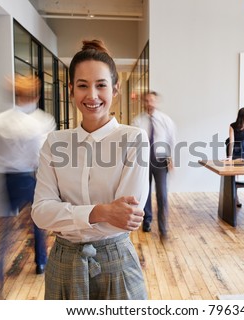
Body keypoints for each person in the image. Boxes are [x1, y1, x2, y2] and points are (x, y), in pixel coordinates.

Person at [31, 39, 150, 300]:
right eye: (82, 86)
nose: (92, 95)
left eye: (101, 85)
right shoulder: (55, 142)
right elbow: (40, 213)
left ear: (115, 89)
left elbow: (128, 215)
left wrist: (67, 215)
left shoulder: (133, 139)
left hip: (116, 260)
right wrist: (102, 211)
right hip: (64, 263)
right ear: (71, 90)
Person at [0, 74, 55, 281]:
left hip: (6, 178)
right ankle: (41, 262)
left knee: (6, 228)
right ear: (35, 96)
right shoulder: (42, 122)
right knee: (38, 222)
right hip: (28, 177)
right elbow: (42, 155)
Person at [131, 91, 176, 239]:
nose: (149, 103)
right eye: (147, 101)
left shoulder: (165, 120)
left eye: (152, 100)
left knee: (162, 194)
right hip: (143, 162)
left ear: (156, 102)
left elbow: (171, 140)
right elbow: (133, 142)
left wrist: (171, 160)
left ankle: (163, 228)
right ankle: (147, 221)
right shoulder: (138, 121)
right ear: (143, 102)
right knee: (145, 192)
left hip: (161, 161)